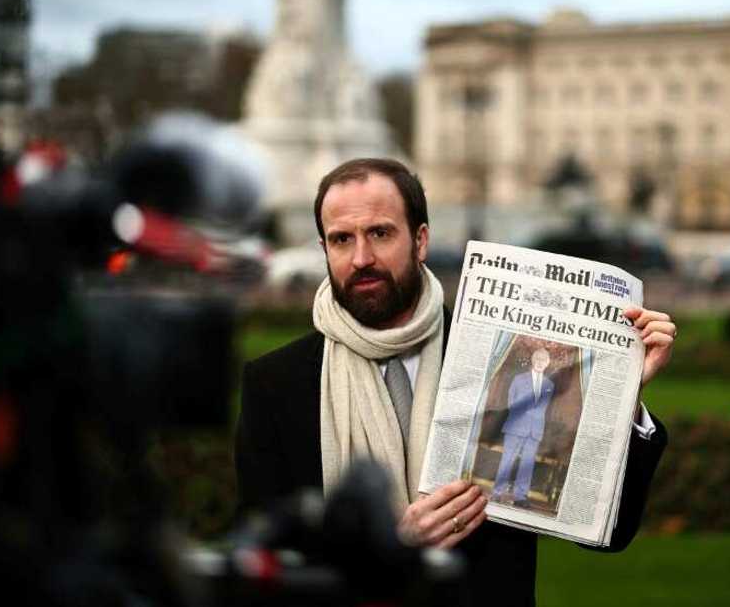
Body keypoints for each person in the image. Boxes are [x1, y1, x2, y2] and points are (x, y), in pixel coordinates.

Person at [235, 158, 675, 607]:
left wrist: (623, 395)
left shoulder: (500, 364)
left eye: (381, 233)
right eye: (341, 239)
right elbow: (266, 562)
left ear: (421, 240)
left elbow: (607, 533)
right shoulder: (274, 384)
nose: (361, 258)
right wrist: (388, 545)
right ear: (324, 248)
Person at [493, 348, 555, 508]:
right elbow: (511, 402)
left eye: (544, 360)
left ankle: (520, 497)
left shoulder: (549, 385)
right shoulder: (519, 379)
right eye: (538, 359)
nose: (540, 362)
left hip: (535, 431)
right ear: (533, 361)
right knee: (507, 460)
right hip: (516, 428)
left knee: (527, 463)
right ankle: (497, 493)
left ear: (548, 363)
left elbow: (544, 409)